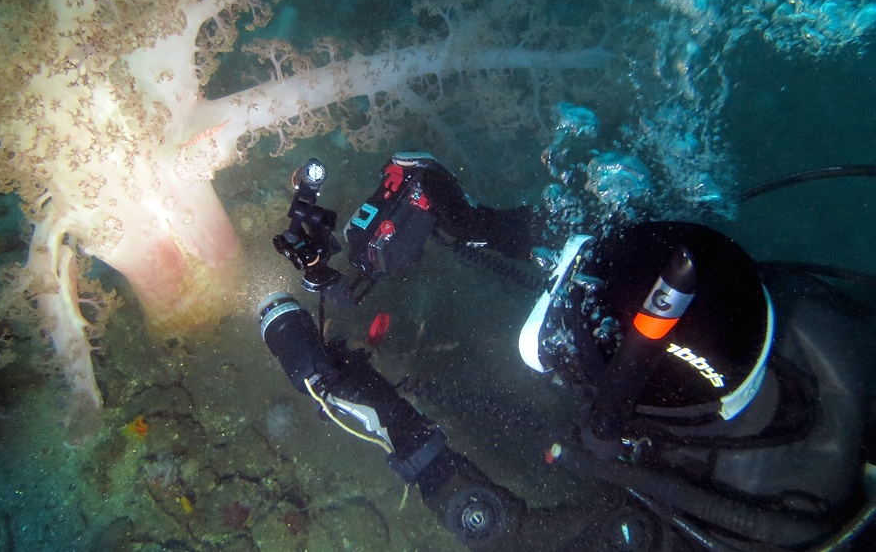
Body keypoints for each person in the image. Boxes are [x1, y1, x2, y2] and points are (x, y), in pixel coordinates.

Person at [260, 152, 876, 550]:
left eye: (571, 358)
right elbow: (612, 253)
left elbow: (504, 531)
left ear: (631, 409)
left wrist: (370, 404)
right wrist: (463, 217)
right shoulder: (799, 309)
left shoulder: (698, 530)